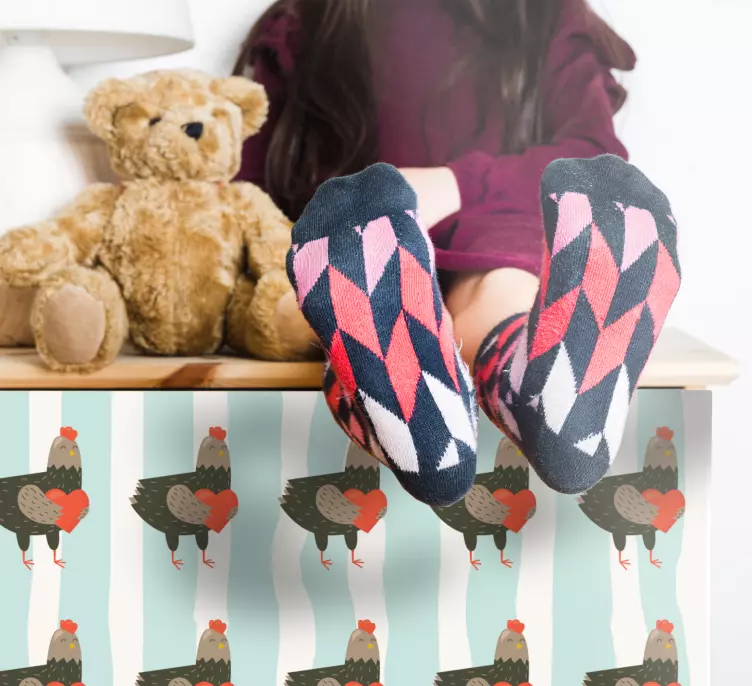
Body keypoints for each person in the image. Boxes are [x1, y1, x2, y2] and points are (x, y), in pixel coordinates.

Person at [234, 0, 681, 506]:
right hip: (365, 245)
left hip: (447, 238)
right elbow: (247, 189)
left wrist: (452, 184)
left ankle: (425, 423)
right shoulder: (305, 23)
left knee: (351, 301)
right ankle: (539, 399)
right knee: (488, 292)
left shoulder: (544, 15)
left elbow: (588, 158)